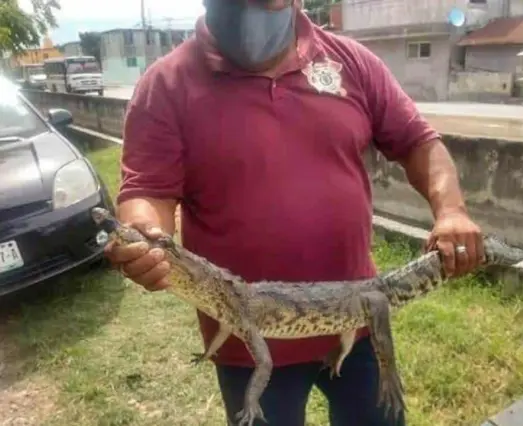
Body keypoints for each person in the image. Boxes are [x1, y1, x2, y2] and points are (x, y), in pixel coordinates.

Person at [104, 0, 485, 425]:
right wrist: (144, 236)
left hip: (354, 319)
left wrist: (451, 210)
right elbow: (147, 192)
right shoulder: (166, 84)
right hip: (249, 339)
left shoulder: (352, 62)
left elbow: (419, 143)